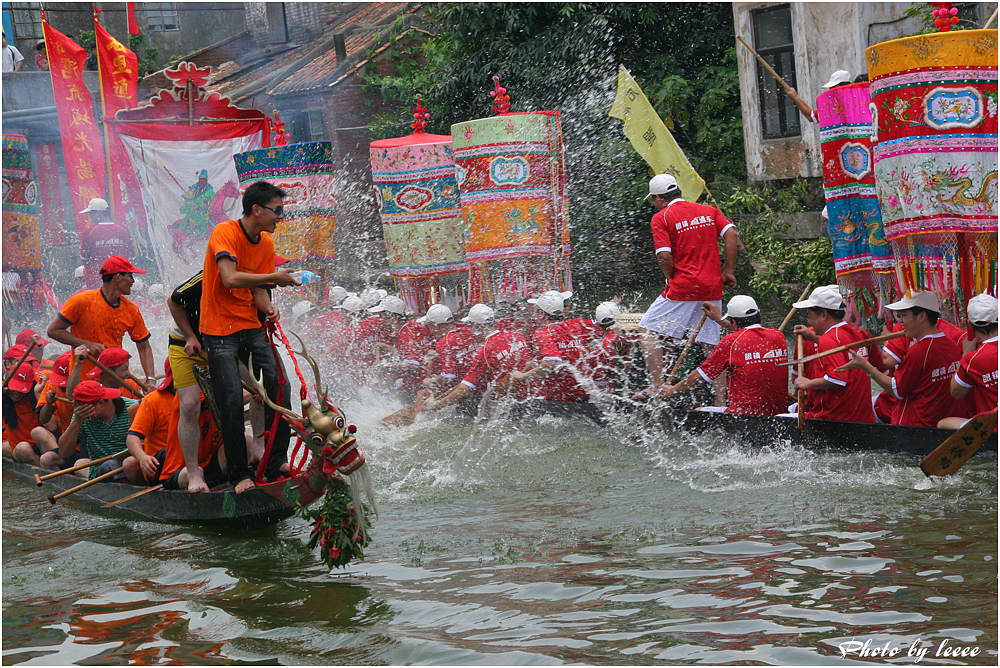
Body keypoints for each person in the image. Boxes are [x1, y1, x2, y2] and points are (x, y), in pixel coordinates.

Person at [199, 181, 298, 494]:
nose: (280, 217)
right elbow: (229, 278)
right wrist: (274, 277)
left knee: (280, 384)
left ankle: (275, 460)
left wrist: (268, 308)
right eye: (276, 210)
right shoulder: (225, 232)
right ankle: (240, 475)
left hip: (249, 325)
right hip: (218, 330)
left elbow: (257, 291)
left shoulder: (266, 244)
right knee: (229, 400)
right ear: (257, 209)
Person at [637, 174, 739, 395]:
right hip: (712, 287)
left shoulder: (661, 217)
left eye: (653, 201)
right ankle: (722, 403)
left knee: (646, 330)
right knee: (711, 345)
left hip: (683, 286)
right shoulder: (708, 210)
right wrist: (728, 271)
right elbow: (731, 234)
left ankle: (657, 386)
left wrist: (670, 276)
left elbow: (664, 256)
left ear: (658, 198)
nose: (654, 205)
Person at [837, 291, 961, 428]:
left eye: (904, 316)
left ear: (921, 316)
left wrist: (866, 366)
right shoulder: (950, 344)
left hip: (914, 427)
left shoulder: (920, 350)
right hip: (933, 422)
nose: (900, 321)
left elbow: (897, 390)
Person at [659, 296, 789, 416]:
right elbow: (746, 334)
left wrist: (672, 390)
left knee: (696, 411)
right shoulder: (778, 335)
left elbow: (698, 376)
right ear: (758, 314)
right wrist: (719, 319)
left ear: (733, 321)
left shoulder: (730, 341)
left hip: (742, 415)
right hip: (776, 412)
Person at [46, 255, 155, 386]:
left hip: (115, 382)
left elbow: (144, 347)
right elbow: (53, 331)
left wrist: (150, 379)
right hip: (84, 383)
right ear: (117, 277)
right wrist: (86, 344)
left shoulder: (132, 310)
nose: (133, 281)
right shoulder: (81, 301)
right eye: (130, 276)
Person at [790, 285, 876, 423]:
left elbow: (837, 380)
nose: (808, 322)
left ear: (824, 315)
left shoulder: (829, 339)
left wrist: (808, 383)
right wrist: (813, 338)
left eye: (810, 316)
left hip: (835, 418)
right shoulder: (857, 333)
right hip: (862, 417)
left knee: (776, 421)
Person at [421, 309, 533, 412]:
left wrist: (436, 404)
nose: (469, 329)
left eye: (470, 325)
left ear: (478, 326)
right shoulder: (516, 335)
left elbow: (464, 385)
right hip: (531, 394)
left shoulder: (484, 350)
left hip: (507, 400)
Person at [513, 292, 607, 402]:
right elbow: (606, 325)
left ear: (542, 314)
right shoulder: (579, 323)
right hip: (584, 395)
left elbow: (550, 363)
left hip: (559, 400)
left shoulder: (543, 333)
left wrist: (523, 376)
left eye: (537, 311)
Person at [50, 380, 139, 479]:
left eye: (85, 408)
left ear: (101, 402)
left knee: (118, 464)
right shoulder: (81, 414)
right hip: (99, 467)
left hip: (131, 464)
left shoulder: (133, 408)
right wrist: (77, 421)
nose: (82, 412)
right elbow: (63, 453)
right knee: (80, 464)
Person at [939, 294, 998, 430]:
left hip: (991, 428)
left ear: (970, 326)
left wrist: (966, 353)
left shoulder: (973, 358)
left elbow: (956, 392)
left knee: (943, 423)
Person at [123, 363, 176, 485]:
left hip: (197, 459)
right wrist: (142, 457)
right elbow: (132, 437)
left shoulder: (204, 396)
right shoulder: (153, 400)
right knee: (129, 464)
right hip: (160, 464)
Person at [2, 362, 51, 464]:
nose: (16, 395)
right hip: (20, 449)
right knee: (19, 448)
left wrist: (38, 394)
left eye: (21, 390)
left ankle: (51, 471)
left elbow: (52, 427)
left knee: (39, 432)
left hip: (41, 447)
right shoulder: (4, 396)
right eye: (14, 389)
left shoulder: (37, 393)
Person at [79, 198, 134, 285]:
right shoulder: (123, 230)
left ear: (98, 213)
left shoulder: (89, 232)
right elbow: (130, 256)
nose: (90, 217)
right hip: (120, 280)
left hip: (97, 281)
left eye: (91, 214)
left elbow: (84, 258)